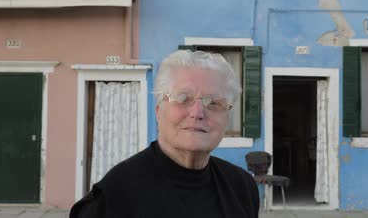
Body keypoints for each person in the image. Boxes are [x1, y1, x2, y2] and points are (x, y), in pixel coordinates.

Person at [70, 50, 260, 218]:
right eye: (183, 98)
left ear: (227, 116)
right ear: (159, 111)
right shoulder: (114, 196)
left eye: (214, 103)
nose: (197, 113)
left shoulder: (242, 188)